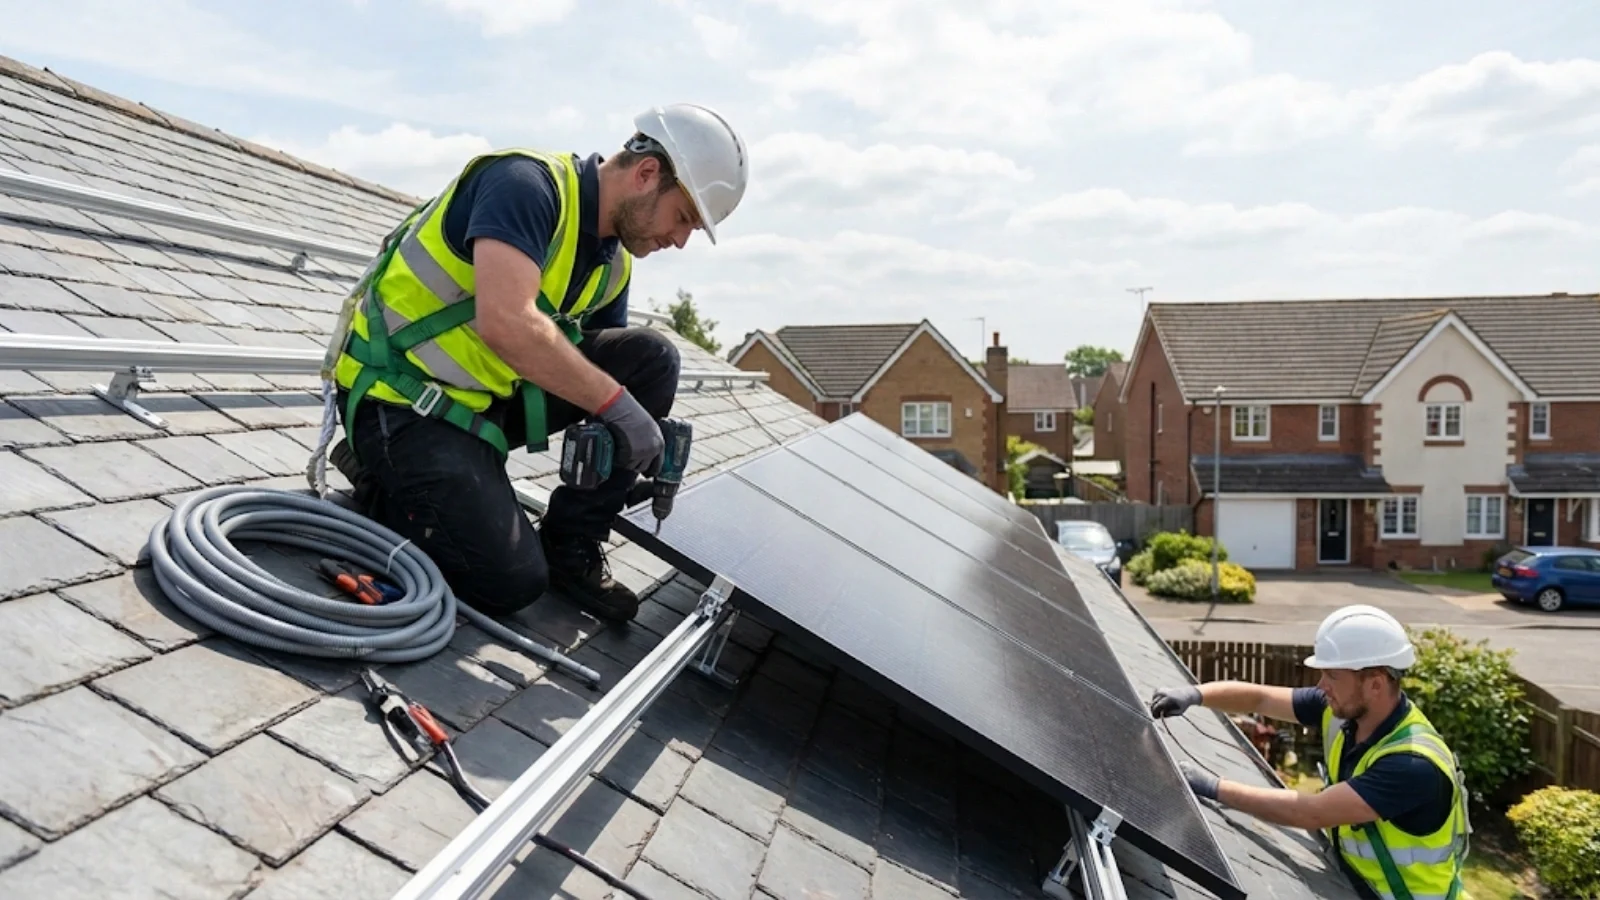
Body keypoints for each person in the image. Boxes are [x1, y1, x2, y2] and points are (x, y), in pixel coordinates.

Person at [324, 104, 748, 624]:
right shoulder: (525, 185)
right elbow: (506, 321)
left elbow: (584, 367)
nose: (680, 239)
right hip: (400, 404)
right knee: (510, 581)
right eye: (683, 216)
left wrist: (617, 470)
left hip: (481, 404)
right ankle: (380, 482)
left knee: (652, 358)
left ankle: (572, 545)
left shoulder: (610, 260)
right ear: (646, 174)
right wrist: (621, 410)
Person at [1149, 605, 1470, 900]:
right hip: (1352, 883)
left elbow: (1310, 812)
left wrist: (1211, 786)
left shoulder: (1411, 765)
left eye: (1332, 675)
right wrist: (1194, 694)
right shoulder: (1342, 708)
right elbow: (1260, 699)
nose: (1321, 685)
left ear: (1375, 683)